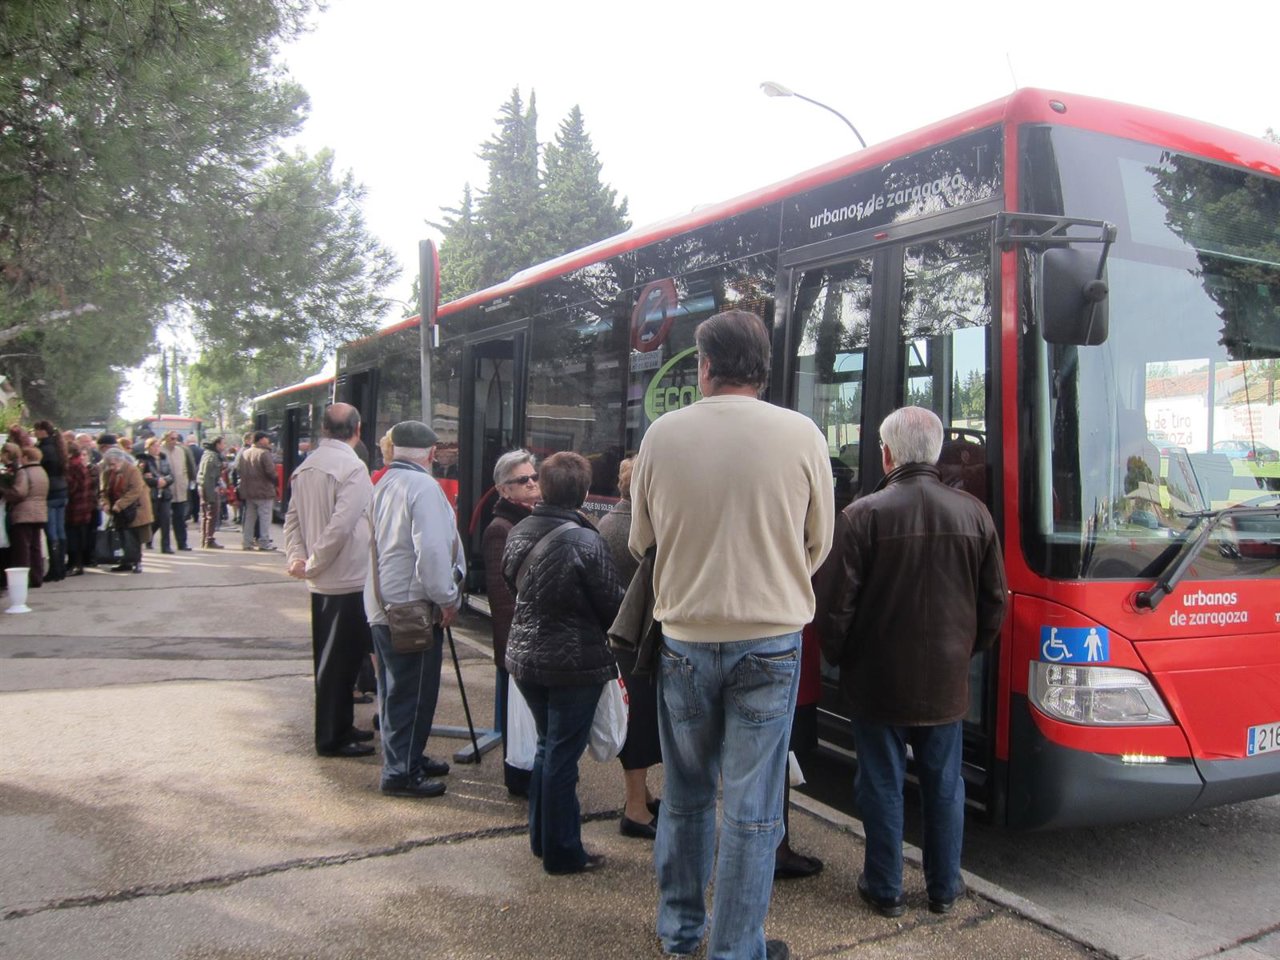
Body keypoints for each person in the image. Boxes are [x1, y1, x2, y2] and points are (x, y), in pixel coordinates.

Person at [629, 309, 834, 960]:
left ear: (706, 366)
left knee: (686, 795)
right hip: (772, 639)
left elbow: (641, 541)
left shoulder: (663, 435)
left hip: (685, 637)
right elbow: (819, 543)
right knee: (753, 806)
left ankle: (680, 931)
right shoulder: (802, 435)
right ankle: (737, 947)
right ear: (764, 367)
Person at [815, 406, 1006, 918]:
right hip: (946, 682)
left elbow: (837, 609)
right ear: (938, 452)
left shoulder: (861, 516)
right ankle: (944, 888)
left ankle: (885, 888)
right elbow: (994, 606)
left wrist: (839, 656)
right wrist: (965, 652)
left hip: (875, 681)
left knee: (880, 781)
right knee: (945, 784)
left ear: (886, 453)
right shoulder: (975, 515)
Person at [502, 451, 624, 876]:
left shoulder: (519, 530)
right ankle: (562, 851)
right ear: (585, 493)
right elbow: (614, 605)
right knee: (561, 756)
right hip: (574, 665)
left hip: (526, 658)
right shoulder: (587, 540)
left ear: (545, 487)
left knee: (546, 747)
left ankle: (542, 839)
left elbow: (507, 578)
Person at [364, 420, 463, 798]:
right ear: (432, 453)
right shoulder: (422, 486)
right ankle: (401, 771)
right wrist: (448, 598)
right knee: (413, 693)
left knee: (393, 690)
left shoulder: (383, 481)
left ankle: (407, 756)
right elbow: (433, 553)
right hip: (411, 609)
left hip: (384, 604)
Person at [283, 402, 376, 758]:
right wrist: (315, 562)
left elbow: (292, 520)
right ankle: (332, 737)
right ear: (357, 429)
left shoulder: (306, 467)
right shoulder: (353, 468)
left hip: (322, 578)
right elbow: (343, 524)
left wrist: (298, 558)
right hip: (346, 578)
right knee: (342, 662)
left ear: (324, 429)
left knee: (333, 659)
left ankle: (341, 726)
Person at [597, 457, 662, 839]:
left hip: (622, 642)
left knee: (638, 723)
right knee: (639, 727)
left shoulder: (611, 521)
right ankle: (635, 809)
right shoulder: (633, 530)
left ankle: (643, 796)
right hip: (635, 644)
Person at [481, 448, 540, 798]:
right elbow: (502, 602)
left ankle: (529, 772)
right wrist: (510, 654)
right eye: (523, 480)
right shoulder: (500, 529)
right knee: (516, 720)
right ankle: (518, 779)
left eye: (534, 477)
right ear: (505, 490)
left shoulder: (529, 518)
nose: (532, 484)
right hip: (516, 645)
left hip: (530, 642)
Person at [100, 447, 153, 573]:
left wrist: (120, 504)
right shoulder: (107, 472)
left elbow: (135, 489)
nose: (111, 467)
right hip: (118, 510)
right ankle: (125, 562)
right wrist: (106, 503)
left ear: (120, 461)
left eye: (113, 464)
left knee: (134, 537)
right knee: (122, 535)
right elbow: (104, 491)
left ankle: (136, 562)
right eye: (109, 464)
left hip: (135, 508)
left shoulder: (132, 470)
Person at [5, 443, 50, 587]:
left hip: (24, 513)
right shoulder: (42, 471)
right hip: (39, 513)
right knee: (35, 548)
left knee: (22, 550)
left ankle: (22, 581)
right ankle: (37, 578)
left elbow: (19, 493)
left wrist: (5, 492)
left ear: (25, 457)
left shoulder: (24, 472)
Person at [33, 421, 68, 582]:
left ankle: (54, 568)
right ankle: (60, 567)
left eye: (36, 430)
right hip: (62, 490)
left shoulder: (43, 449)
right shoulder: (59, 447)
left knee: (51, 532)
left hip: (50, 493)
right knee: (60, 531)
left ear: (42, 431)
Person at [238, 431, 279, 551]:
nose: (268, 441)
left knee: (250, 518)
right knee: (265, 518)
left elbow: (239, 470)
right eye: (266, 438)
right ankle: (264, 543)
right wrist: (275, 482)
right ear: (261, 440)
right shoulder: (264, 453)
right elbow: (271, 472)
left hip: (248, 491)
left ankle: (247, 542)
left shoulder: (245, 453)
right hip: (264, 491)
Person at [136, 437, 174, 553]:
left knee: (166, 519)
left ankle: (166, 546)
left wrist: (165, 481)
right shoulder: (143, 460)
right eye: (154, 446)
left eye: (158, 446)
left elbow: (171, 475)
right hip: (151, 494)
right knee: (154, 519)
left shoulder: (163, 459)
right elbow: (140, 478)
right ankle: (148, 539)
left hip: (164, 493)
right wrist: (155, 482)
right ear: (148, 447)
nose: (157, 448)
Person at [63, 438, 94, 575]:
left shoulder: (72, 467)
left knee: (73, 537)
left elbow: (71, 487)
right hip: (84, 506)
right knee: (79, 536)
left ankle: (75, 564)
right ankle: (76, 564)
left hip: (75, 506)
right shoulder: (80, 465)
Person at [161, 432, 195, 551]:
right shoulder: (160, 451)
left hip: (180, 490)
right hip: (165, 490)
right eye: (171, 438)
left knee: (180, 518)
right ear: (165, 438)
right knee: (163, 519)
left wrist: (186, 482)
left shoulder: (181, 451)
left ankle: (182, 543)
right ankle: (163, 544)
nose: (174, 441)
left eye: (176, 439)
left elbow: (186, 468)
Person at [197, 436, 225, 549]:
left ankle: (206, 539)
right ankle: (208, 540)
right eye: (223, 443)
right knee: (211, 515)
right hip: (209, 489)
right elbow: (208, 477)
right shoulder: (212, 457)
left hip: (207, 488)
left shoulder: (209, 455)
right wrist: (210, 497)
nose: (224, 446)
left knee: (207, 516)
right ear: (217, 444)